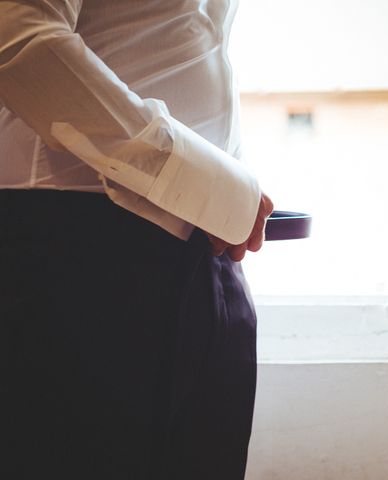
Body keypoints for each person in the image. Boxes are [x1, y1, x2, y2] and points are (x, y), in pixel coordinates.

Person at [0, 1, 272, 479]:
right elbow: (18, 34)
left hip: (209, 255)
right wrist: (202, 179)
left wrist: (223, 189)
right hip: (72, 249)